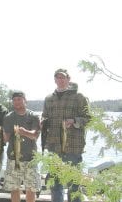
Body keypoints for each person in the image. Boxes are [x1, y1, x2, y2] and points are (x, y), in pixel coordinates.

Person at [42, 69, 90, 202]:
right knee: (55, 183)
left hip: (73, 148)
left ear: (68, 79)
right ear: (54, 80)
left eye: (63, 77)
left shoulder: (79, 97)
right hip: (53, 147)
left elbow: (89, 119)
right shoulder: (48, 98)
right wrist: (42, 122)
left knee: (74, 184)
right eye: (57, 77)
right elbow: (45, 117)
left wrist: (74, 121)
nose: (60, 80)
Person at [3, 91, 41, 202]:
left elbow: (35, 135)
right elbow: (5, 138)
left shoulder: (33, 116)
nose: (16, 102)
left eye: (19, 99)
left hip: (31, 159)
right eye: (14, 100)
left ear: (25, 100)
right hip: (13, 159)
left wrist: (24, 132)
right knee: (14, 188)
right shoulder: (8, 117)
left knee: (31, 188)